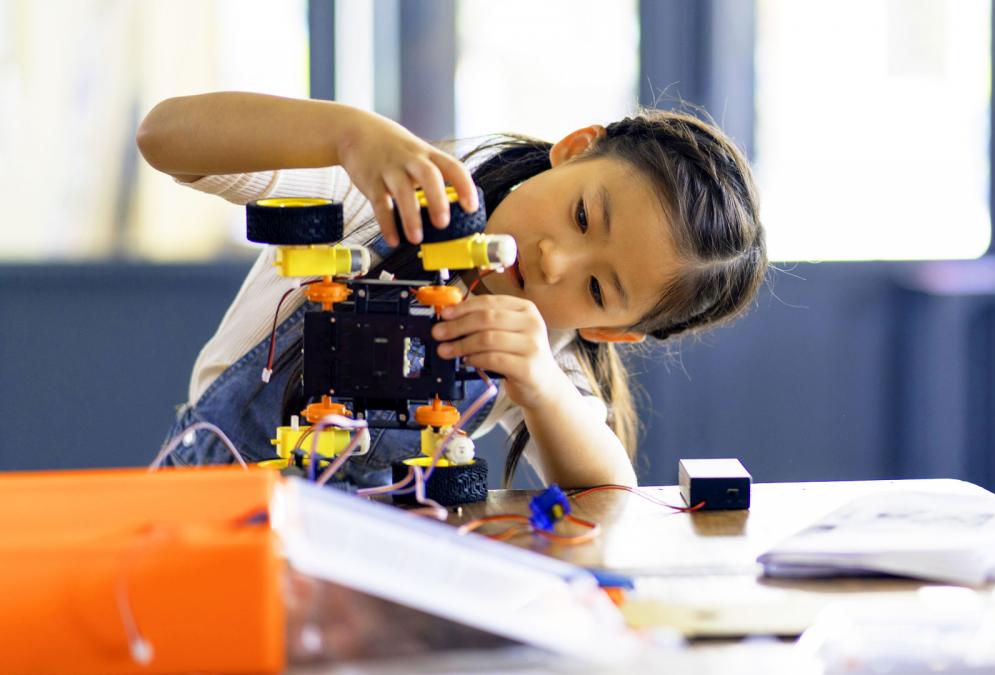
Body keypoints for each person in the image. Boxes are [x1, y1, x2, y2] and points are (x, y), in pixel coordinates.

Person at [137, 91, 765, 490]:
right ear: (574, 150)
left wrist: (541, 385)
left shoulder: (544, 345)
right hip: (209, 503)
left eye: (598, 288)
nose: (554, 262)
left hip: (363, 555)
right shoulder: (382, 195)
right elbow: (162, 138)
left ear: (610, 331)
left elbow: (610, 485)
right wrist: (346, 135)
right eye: (580, 216)